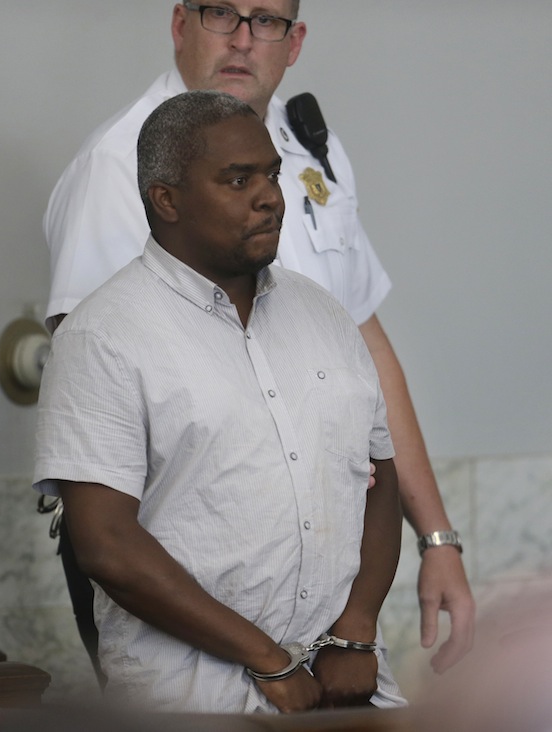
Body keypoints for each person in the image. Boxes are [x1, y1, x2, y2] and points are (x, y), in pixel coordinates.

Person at [43, 0, 474, 676]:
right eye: (222, 12)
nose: (243, 39)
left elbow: (370, 355)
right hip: (189, 592)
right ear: (182, 24)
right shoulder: (118, 166)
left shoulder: (308, 156)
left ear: (294, 40)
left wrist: (438, 538)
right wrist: (265, 657)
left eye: (267, 20)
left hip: (321, 585)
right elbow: (92, 392)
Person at [34, 90, 405, 713]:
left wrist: (357, 630)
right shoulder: (102, 336)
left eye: (271, 175)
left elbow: (378, 479)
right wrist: (267, 658)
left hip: (346, 682)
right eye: (238, 179)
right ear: (167, 199)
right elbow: (105, 544)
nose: (270, 197)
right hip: (191, 696)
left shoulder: (325, 316)